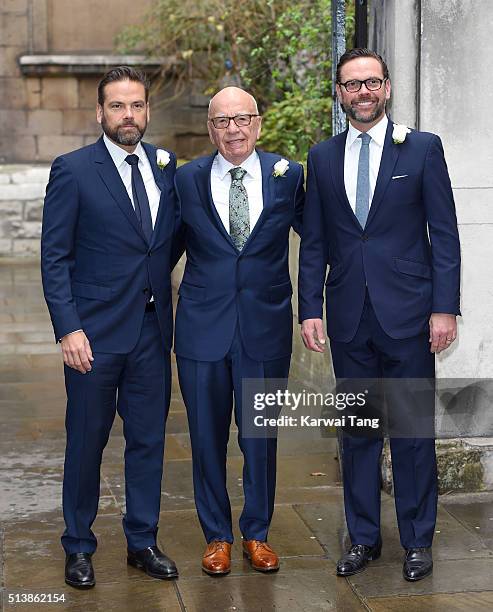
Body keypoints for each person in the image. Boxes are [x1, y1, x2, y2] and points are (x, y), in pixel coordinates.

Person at [298, 48, 461, 582]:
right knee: (359, 430)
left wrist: (444, 308)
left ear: (386, 87)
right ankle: (362, 537)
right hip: (348, 318)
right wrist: (310, 309)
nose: (361, 92)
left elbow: (445, 235)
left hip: (411, 316)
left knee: (413, 432)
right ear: (340, 93)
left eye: (370, 82)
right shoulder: (320, 158)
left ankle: (417, 540)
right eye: (351, 84)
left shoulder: (422, 148)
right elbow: (315, 241)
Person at [41, 66, 180, 588]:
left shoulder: (165, 168)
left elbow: (167, 240)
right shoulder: (73, 170)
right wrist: (68, 328)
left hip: (150, 333)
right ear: (100, 113)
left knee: (148, 442)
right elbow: (54, 257)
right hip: (93, 338)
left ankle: (142, 540)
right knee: (87, 443)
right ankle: (78, 545)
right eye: (118, 106)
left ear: (147, 110)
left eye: (137, 105)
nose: (129, 115)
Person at [174, 86, 304, 575]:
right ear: (210, 129)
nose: (233, 128)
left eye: (242, 118)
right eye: (222, 120)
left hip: (265, 329)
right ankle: (216, 536)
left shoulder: (288, 177)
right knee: (205, 438)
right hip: (201, 329)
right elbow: (162, 247)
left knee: (260, 439)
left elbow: (314, 243)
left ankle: (257, 532)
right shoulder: (185, 180)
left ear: (258, 123)